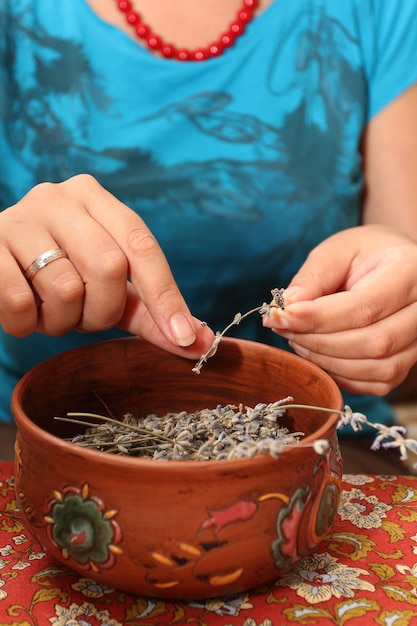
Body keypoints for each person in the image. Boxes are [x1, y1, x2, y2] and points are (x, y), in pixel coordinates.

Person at [1, 0, 417, 471]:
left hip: (318, 439)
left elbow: (401, 242)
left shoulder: (378, 10)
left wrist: (394, 287)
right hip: (31, 435)